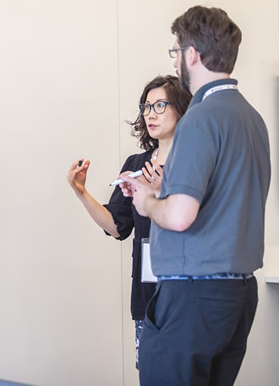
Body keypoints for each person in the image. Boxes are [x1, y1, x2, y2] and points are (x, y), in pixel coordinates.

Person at [123, 6, 271, 386]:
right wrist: (162, 190)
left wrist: (146, 201)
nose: (175, 62)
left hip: (195, 298)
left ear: (191, 54)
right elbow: (223, 200)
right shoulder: (252, 119)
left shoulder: (199, 119)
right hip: (238, 296)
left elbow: (180, 216)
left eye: (175, 52)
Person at [67, 75, 191, 370]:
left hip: (189, 294)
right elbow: (116, 225)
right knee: (151, 374)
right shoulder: (136, 165)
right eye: (146, 106)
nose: (150, 113)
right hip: (147, 297)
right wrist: (81, 192)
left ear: (182, 109)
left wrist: (163, 193)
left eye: (160, 105)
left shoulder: (195, 164)